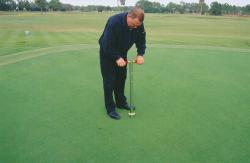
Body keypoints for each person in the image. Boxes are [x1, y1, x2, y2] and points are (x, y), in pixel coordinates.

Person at [99, 6, 146, 120]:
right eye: (133, 24)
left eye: (137, 26)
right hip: (107, 53)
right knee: (109, 81)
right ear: (129, 16)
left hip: (122, 53)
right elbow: (106, 44)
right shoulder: (114, 22)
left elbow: (141, 40)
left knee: (121, 78)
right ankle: (110, 108)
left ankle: (121, 102)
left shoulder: (138, 25)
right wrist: (116, 58)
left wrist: (140, 54)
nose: (135, 27)